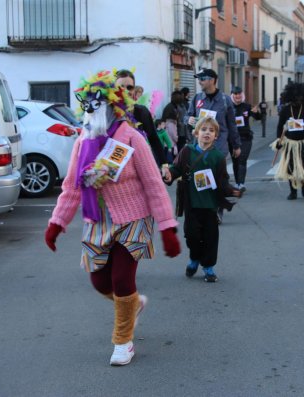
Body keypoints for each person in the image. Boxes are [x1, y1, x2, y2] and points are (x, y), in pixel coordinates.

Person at [44, 70, 181, 366]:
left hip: (133, 217)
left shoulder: (132, 138)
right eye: (89, 105)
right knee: (98, 280)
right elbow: (71, 187)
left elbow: (155, 186)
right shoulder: (83, 141)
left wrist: (168, 228)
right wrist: (57, 223)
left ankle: (123, 341)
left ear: (113, 107)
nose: (93, 111)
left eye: (99, 105)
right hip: (98, 220)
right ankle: (133, 304)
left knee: (121, 279)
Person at [163, 117, 241, 282]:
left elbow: (222, 182)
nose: (207, 133)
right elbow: (175, 169)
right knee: (191, 236)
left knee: (211, 238)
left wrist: (233, 191)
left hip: (211, 205)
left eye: (211, 131)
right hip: (192, 203)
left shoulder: (218, 157)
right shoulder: (187, 151)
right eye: (204, 129)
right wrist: (169, 174)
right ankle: (194, 259)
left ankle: (208, 267)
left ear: (216, 136)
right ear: (196, 133)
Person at [185, 68, 241, 223]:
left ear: (212, 80)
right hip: (200, 146)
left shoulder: (225, 100)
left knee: (217, 178)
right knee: (202, 178)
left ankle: (217, 209)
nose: (199, 81)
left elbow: (231, 124)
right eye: (199, 79)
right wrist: (188, 120)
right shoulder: (197, 98)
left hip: (219, 146)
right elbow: (187, 115)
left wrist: (236, 145)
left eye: (202, 79)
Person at [272, 82, 304, 200]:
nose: (298, 99)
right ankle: (293, 191)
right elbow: (279, 126)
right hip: (290, 144)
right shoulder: (285, 110)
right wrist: (279, 140)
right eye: (296, 97)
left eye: (300, 97)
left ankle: (303, 185)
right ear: (290, 97)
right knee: (290, 168)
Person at [115, 69, 166, 167]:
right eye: (121, 86)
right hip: (116, 168)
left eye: (129, 87)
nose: (125, 90)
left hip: (140, 164)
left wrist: (164, 165)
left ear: (133, 90)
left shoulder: (141, 111)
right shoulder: (108, 112)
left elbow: (153, 138)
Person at [230, 86, 262, 192]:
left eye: (239, 94)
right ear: (232, 95)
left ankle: (241, 184)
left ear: (242, 95)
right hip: (233, 139)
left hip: (246, 137)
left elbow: (258, 118)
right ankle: (237, 182)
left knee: (242, 159)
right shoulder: (228, 107)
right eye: (235, 94)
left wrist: (257, 112)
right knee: (235, 161)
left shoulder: (247, 106)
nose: (237, 96)